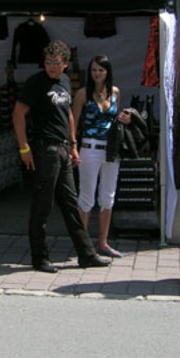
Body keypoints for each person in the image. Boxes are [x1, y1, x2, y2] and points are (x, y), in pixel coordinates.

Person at [12, 40, 110, 273]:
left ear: (65, 63)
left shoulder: (65, 80)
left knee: (70, 205)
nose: (52, 67)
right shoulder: (36, 82)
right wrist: (24, 147)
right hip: (45, 149)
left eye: (56, 63)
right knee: (42, 205)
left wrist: (73, 144)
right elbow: (18, 113)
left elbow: (68, 114)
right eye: (48, 62)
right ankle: (39, 258)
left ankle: (86, 254)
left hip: (63, 149)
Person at [71, 55, 131, 258]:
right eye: (94, 70)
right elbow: (73, 121)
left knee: (108, 196)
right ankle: (83, 244)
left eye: (101, 70)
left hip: (111, 148)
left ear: (107, 72)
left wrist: (124, 119)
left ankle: (103, 242)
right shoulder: (83, 93)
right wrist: (73, 146)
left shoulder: (115, 92)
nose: (97, 74)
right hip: (90, 146)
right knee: (86, 196)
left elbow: (115, 121)